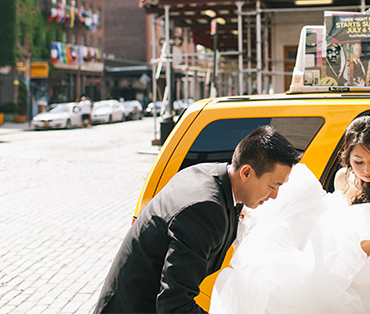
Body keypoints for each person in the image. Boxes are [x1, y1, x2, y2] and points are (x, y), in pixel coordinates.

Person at [210, 116, 370, 314]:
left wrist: (341, 257)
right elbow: (332, 216)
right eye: (358, 161)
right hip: (344, 254)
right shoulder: (342, 178)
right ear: (348, 158)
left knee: (315, 280)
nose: (367, 169)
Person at [93, 126, 301, 314]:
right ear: (246, 172)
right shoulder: (206, 210)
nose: (275, 196)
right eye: (273, 185)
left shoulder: (209, 175)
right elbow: (175, 305)